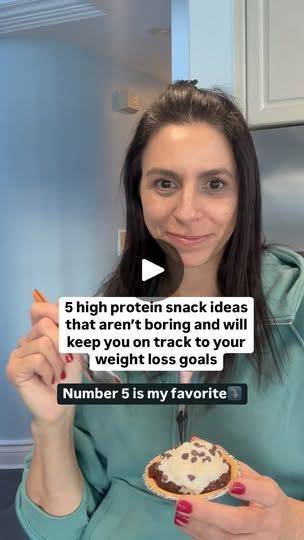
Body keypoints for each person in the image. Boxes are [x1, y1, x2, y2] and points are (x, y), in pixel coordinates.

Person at [6, 81, 304, 540]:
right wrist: (53, 423)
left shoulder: (296, 313)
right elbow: (57, 529)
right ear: (138, 192)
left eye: (214, 184)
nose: (187, 211)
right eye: (165, 183)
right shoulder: (106, 323)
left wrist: (294, 524)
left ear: (244, 194)